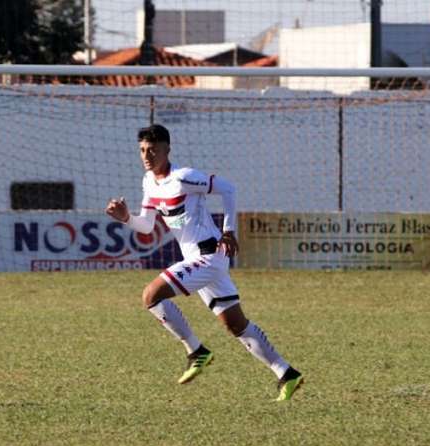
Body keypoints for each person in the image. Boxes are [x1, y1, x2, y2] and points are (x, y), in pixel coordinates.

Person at [105, 124, 303, 401]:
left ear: (166, 149)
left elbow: (228, 189)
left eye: (153, 150)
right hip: (198, 261)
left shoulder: (184, 177)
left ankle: (197, 351)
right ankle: (287, 373)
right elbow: (147, 226)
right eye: (142, 150)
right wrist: (126, 217)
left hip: (209, 255)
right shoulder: (149, 181)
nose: (147, 156)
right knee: (236, 324)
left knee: (150, 295)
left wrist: (229, 230)